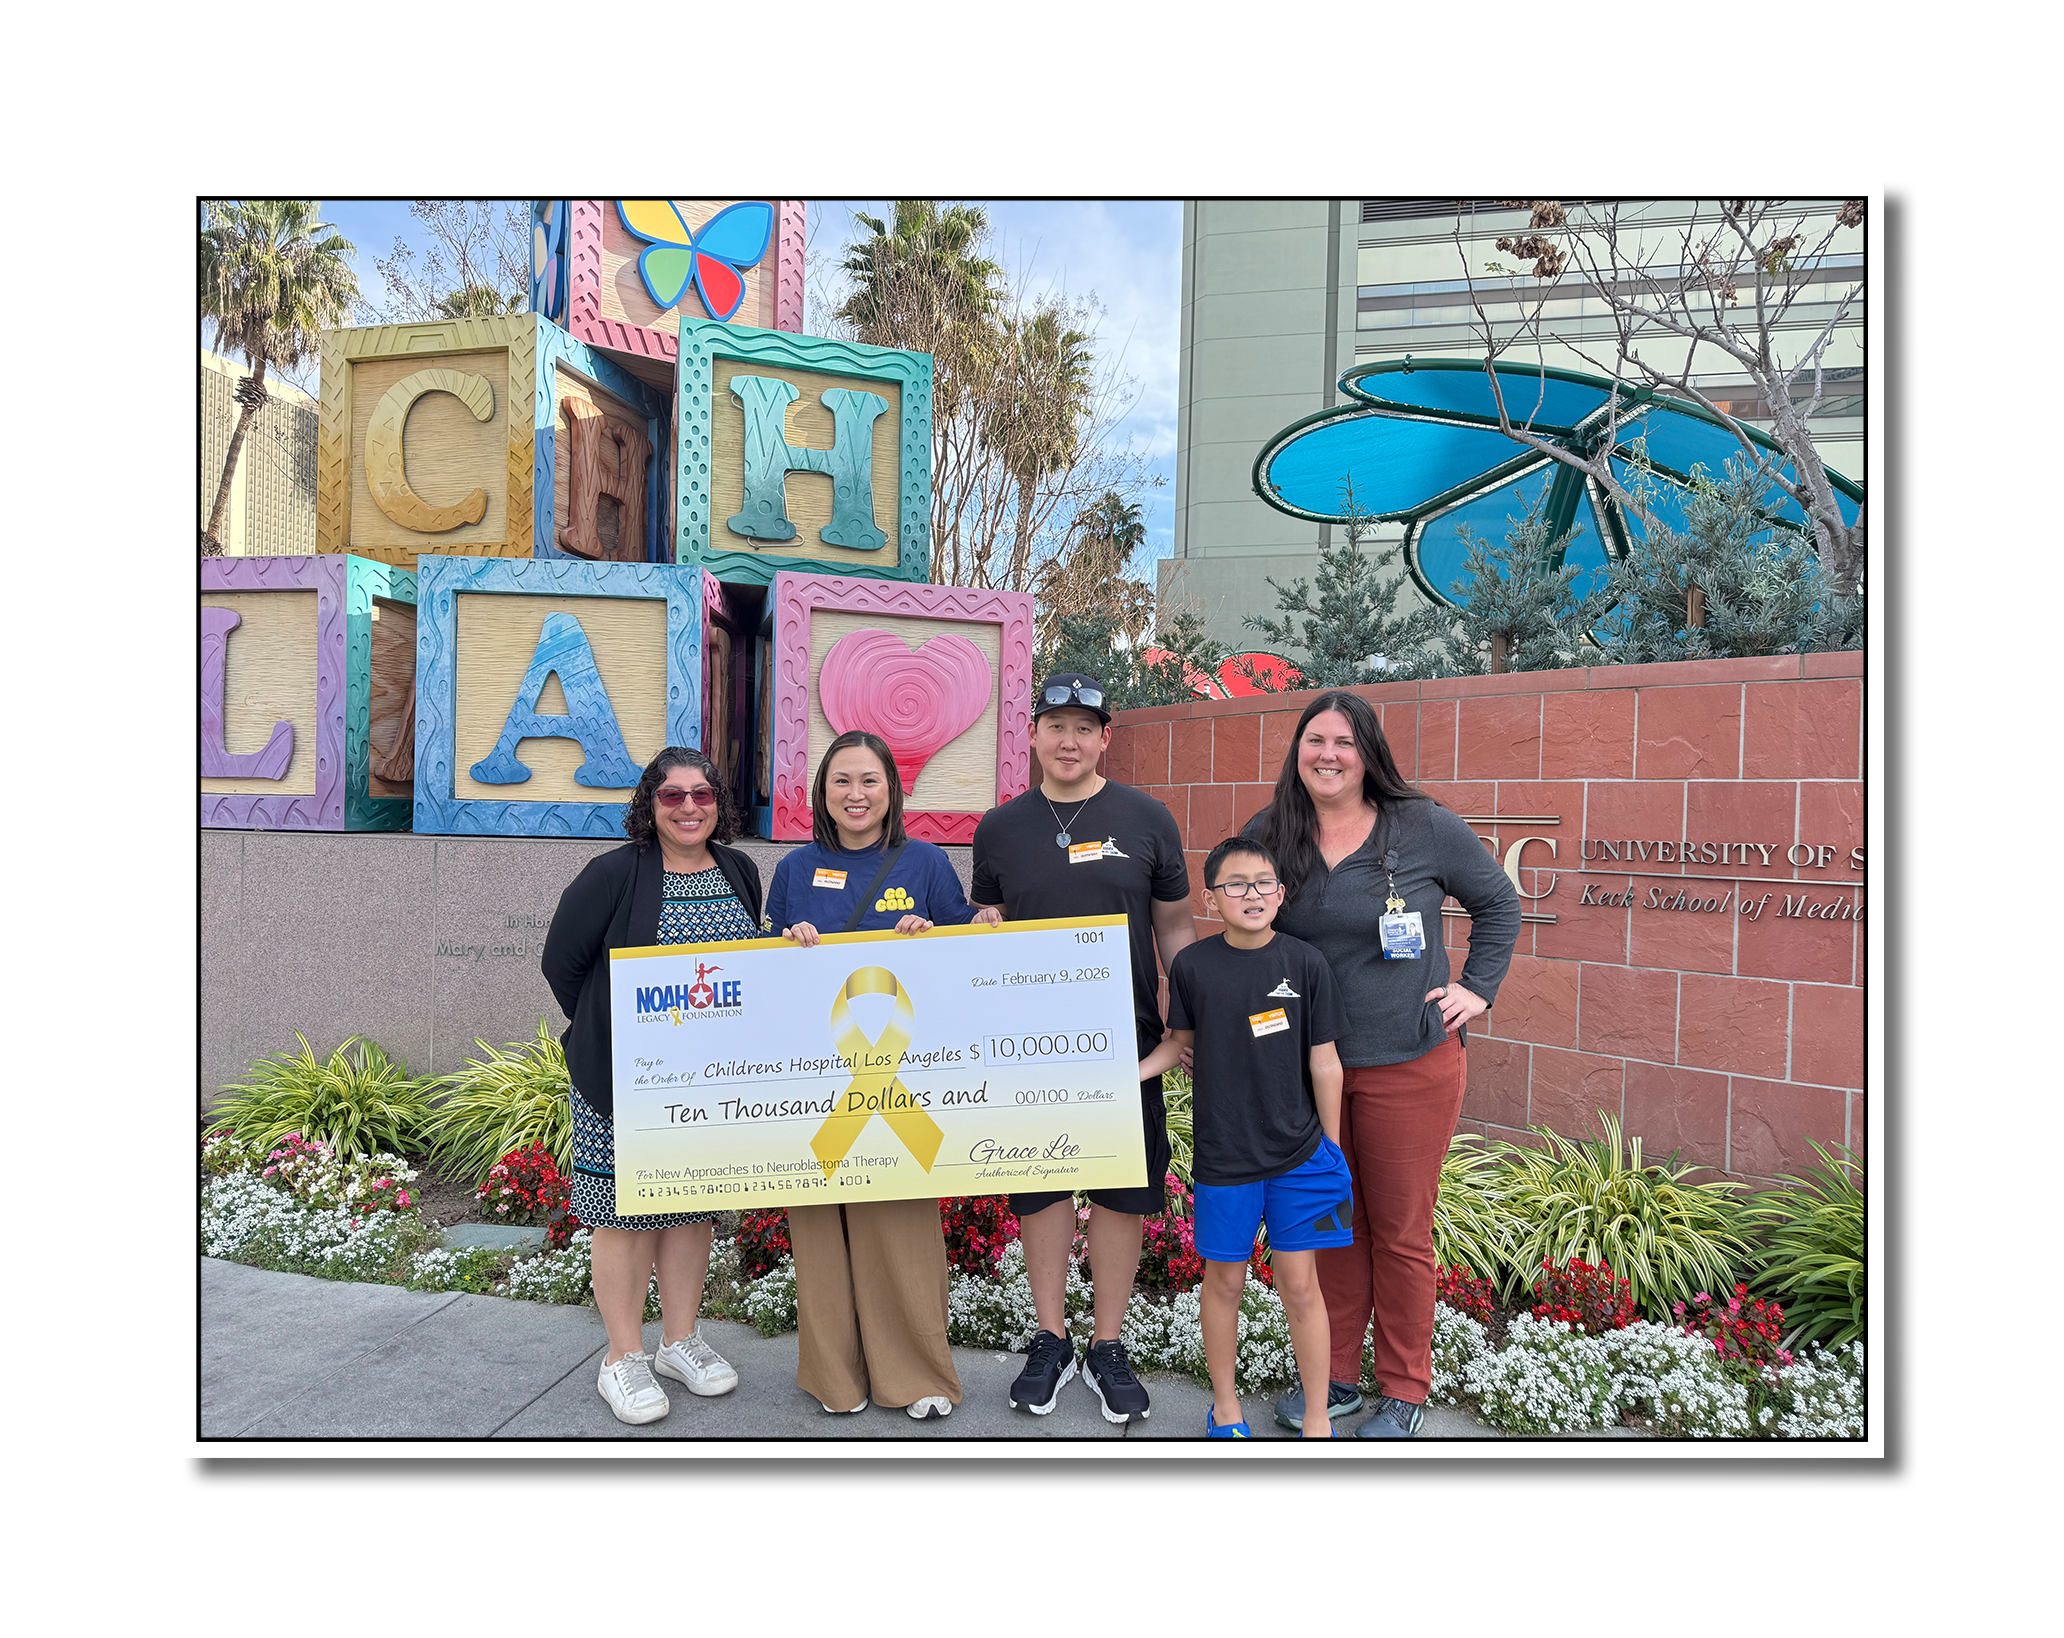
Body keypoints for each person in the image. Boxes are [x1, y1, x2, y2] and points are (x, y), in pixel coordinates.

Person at [1242, 690, 1521, 1438]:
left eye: (1342, 742)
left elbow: (1498, 903)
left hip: (1409, 1062)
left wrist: (1476, 991)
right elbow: (1243, 928)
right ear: (1297, 751)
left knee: (1400, 1230)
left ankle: (1403, 1385)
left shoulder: (1421, 827)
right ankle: (1332, 1379)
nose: (1326, 754)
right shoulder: (1271, 834)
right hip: (1310, 1070)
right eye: (1313, 740)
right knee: (1332, 1220)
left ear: (1368, 754)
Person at [970, 672, 1197, 1423]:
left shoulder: (1146, 818)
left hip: (1124, 1037)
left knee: (1118, 1193)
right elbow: (988, 922)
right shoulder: (998, 828)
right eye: (1055, 726)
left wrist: (1184, 1012)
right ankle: (1050, 1336)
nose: (1069, 740)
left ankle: (1106, 1341)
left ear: (1106, 737)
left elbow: (1173, 928)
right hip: (1025, 1042)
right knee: (1040, 1189)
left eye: (1084, 727)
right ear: (1030, 735)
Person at [763, 729, 1002, 1422]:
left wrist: (954, 929)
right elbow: (769, 967)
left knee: (898, 1230)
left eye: (869, 780)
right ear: (823, 793)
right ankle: (836, 1381)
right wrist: (784, 945)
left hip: (900, 1080)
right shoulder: (794, 871)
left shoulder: (925, 863)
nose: (856, 794)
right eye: (842, 781)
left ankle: (914, 1376)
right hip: (814, 1081)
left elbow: (964, 952)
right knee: (819, 1233)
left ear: (892, 790)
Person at [541, 747, 763, 1426]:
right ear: (650, 805)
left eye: (702, 794)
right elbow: (562, 964)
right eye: (672, 796)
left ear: (719, 803)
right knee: (625, 1215)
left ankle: (679, 1341)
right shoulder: (614, 875)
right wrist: (616, 1035)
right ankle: (623, 1357)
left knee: (692, 1209)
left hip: (707, 1081)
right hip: (623, 1078)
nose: (689, 807)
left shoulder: (740, 870)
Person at [1139, 837, 1349, 1439]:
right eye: (1235, 884)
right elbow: (1177, 1047)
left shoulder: (1307, 964)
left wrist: (1329, 1148)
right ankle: (1225, 1408)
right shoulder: (1194, 967)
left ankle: (1317, 1419)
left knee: (1300, 1283)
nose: (1251, 894)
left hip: (1301, 1155)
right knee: (1225, 1280)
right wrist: (1124, 1078)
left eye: (1263, 883)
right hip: (1225, 1156)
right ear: (1212, 897)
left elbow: (1326, 1062)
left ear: (1281, 894)